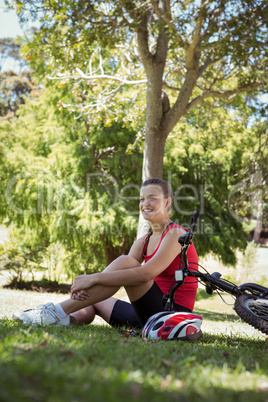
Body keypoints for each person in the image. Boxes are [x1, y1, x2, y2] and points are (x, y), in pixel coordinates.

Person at [12, 178, 199, 330]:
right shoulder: (144, 241)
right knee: (94, 300)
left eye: (152, 198)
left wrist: (93, 278)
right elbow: (118, 275)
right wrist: (91, 287)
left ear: (167, 202)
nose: (145, 203)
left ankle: (56, 312)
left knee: (126, 261)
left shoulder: (176, 234)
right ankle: (60, 318)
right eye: (142, 199)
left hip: (171, 317)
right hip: (145, 316)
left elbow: (144, 274)